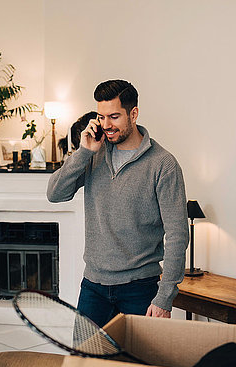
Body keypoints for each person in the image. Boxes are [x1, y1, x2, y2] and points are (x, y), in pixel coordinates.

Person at [47, 79, 189, 327]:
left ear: (133, 113)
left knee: (137, 366)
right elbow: (55, 193)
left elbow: (177, 235)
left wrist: (164, 298)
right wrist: (83, 152)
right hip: (93, 287)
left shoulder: (163, 165)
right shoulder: (93, 154)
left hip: (140, 289)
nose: (106, 125)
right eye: (101, 117)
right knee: (84, 363)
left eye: (114, 116)